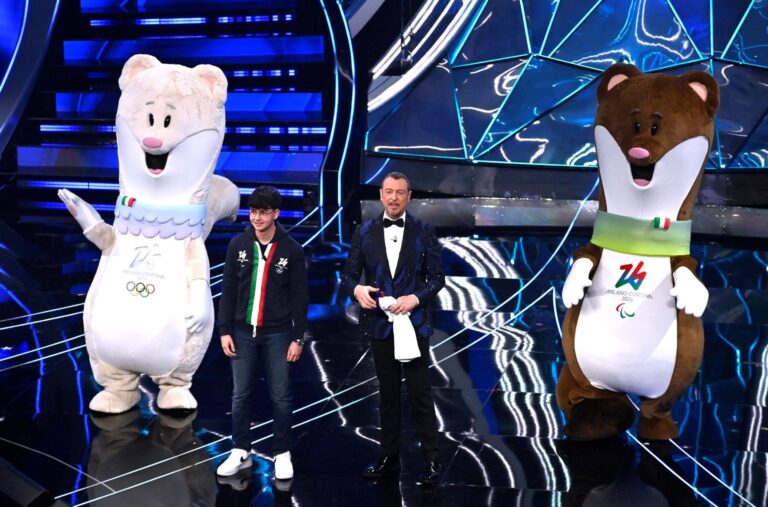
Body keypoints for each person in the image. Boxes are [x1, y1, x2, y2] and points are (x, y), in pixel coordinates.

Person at [341, 171, 446, 484]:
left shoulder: (424, 231)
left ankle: (432, 459)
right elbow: (349, 276)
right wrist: (357, 291)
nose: (394, 197)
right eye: (389, 191)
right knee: (387, 394)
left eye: (400, 192)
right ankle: (388, 457)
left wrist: (415, 298)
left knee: (420, 393)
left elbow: (437, 278)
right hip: (380, 325)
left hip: (413, 324)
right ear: (381, 194)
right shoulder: (365, 231)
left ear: (409, 196)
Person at [215, 186, 308, 480]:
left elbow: (300, 297)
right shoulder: (238, 245)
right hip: (241, 332)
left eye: (263, 212)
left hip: (279, 334)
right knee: (239, 395)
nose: (256, 217)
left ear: (276, 214)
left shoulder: (291, 249)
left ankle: (282, 452)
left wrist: (297, 337)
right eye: (253, 211)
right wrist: (224, 330)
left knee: (280, 395)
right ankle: (241, 449)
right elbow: (228, 290)